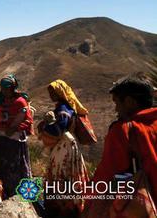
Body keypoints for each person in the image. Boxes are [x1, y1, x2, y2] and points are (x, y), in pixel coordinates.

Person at [88, 76, 157, 207]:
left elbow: (107, 172)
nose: (116, 109)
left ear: (130, 102)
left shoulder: (123, 130)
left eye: (117, 103)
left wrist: (88, 197)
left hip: (141, 208)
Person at [37, 79, 89, 217]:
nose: (50, 95)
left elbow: (58, 130)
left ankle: (60, 209)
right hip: (68, 146)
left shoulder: (63, 109)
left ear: (60, 92)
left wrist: (44, 127)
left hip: (64, 147)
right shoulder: (67, 107)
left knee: (60, 174)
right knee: (69, 176)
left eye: (52, 92)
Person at [0, 74, 33, 198]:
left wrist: (14, 128)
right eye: (2, 89)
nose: (4, 91)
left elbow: (28, 120)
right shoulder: (1, 102)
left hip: (15, 142)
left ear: (13, 88)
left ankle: (18, 194)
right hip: (2, 140)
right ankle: (3, 192)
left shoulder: (20, 102)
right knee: (2, 167)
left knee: (15, 168)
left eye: (7, 88)